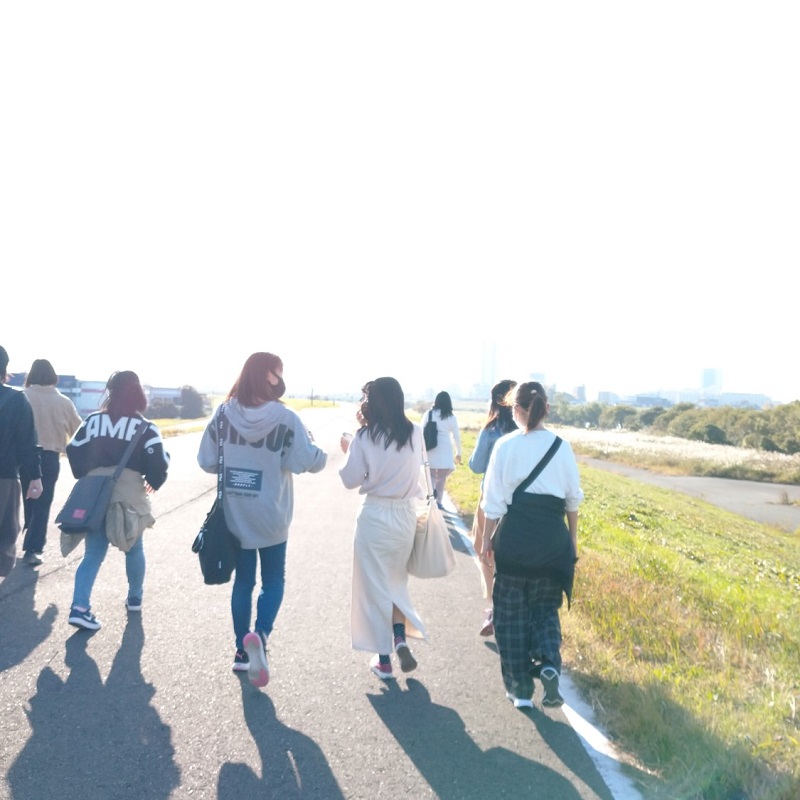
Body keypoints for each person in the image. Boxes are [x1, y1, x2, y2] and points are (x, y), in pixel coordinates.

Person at [198, 352, 327, 689]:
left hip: (235, 514)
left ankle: (242, 651)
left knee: (244, 582)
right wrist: (319, 452)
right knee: (273, 579)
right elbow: (306, 461)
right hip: (272, 513)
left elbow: (206, 460)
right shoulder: (286, 418)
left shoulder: (223, 414)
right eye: (279, 372)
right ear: (269, 376)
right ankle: (261, 634)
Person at [480, 381, 583, 709]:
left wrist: (486, 539)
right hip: (552, 542)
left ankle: (520, 690)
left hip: (515, 542)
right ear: (544, 409)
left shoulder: (506, 447)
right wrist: (571, 542)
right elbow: (572, 501)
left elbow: (493, 502)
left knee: (510, 615)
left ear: (517, 409)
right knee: (544, 610)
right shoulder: (561, 447)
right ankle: (549, 662)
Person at [339, 377, 428, 680]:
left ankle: (384, 660)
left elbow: (350, 479)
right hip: (405, 516)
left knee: (373, 587)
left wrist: (349, 447)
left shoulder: (364, 437)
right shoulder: (416, 433)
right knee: (395, 582)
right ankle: (400, 636)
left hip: (375, 515)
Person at [66, 370, 170, 631]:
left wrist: (87, 473)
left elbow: (73, 448)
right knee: (134, 548)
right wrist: (154, 480)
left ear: (110, 392)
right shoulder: (146, 426)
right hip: (129, 492)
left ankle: (80, 607)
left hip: (95, 491)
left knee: (92, 554)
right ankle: (134, 598)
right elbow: (160, 460)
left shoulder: (92, 421)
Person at [467, 379, 518, 637]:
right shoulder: (524, 432)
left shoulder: (490, 430)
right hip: (518, 502)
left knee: (484, 550)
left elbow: (476, 465)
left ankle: (493, 606)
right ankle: (507, 606)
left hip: (490, 501)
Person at [20, 359, 82, 566]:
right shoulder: (64, 402)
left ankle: (30, 533)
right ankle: (33, 548)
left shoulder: (22, 398)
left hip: (22, 457)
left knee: (28, 499)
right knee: (43, 502)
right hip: (49, 458)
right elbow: (78, 433)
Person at [0, 346, 43, 577]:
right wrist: (34, 476)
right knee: (5, 534)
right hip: (4, 478)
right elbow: (27, 443)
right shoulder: (16, 400)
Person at [423, 391, 462, 510]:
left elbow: (421, 431)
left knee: (431, 476)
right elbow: (456, 436)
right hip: (445, 449)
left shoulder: (428, 414)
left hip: (431, 447)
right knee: (441, 478)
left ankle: (430, 497)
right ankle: (439, 501)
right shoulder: (451, 417)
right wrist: (458, 452)